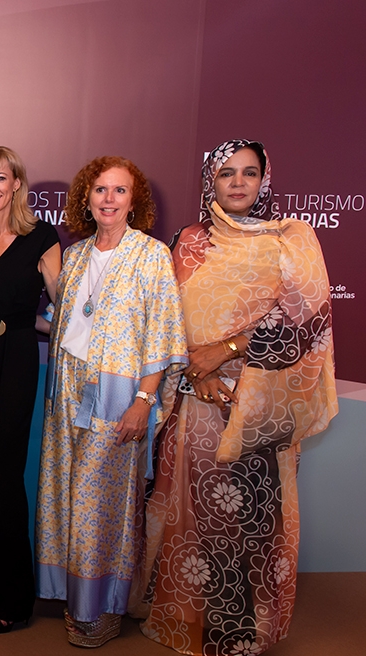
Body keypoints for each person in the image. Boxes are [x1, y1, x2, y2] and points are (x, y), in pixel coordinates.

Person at [134, 140, 337, 655]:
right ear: (211, 181)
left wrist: (224, 350)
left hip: (257, 402)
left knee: (247, 519)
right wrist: (195, 370)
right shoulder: (188, 241)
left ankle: (242, 633)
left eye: (250, 172)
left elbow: (304, 321)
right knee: (195, 513)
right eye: (227, 173)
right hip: (195, 398)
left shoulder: (290, 239)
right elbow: (165, 317)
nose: (239, 182)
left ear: (265, 179)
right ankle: (185, 620)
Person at [35, 156, 187, 648]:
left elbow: (163, 333)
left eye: (119, 191)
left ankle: (102, 606)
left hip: (120, 394)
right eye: (100, 189)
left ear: (133, 200)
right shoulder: (75, 254)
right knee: (65, 497)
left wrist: (144, 399)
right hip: (67, 394)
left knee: (105, 505)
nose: (108, 199)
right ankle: (74, 596)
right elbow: (64, 322)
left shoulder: (152, 254)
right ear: (86, 197)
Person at [0, 146, 61, 632]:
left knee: (1, 472)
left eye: (1, 178)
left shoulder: (41, 235)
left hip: (17, 359)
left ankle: (13, 597)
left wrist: (34, 327)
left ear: (17, 182)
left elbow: (60, 312)